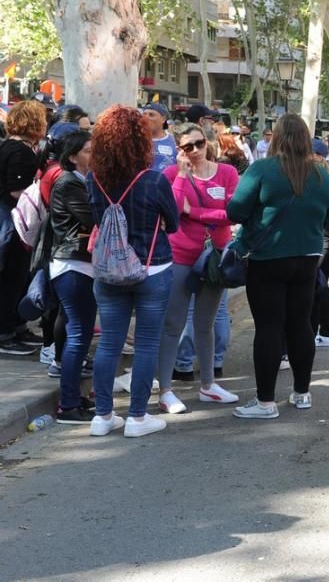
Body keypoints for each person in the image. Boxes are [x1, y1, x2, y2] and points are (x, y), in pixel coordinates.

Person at [227, 114, 329, 419]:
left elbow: (235, 211)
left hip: (267, 258)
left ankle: (265, 402)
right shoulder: (322, 174)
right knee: (300, 325)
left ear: (276, 137)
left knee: (269, 327)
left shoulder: (263, 169)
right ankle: (302, 393)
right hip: (306, 259)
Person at [87, 105, 179, 438]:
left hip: (109, 270)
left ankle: (102, 416)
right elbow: (174, 223)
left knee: (109, 343)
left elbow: (95, 220)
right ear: (141, 140)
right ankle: (138, 418)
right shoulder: (153, 179)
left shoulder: (92, 180)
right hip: (153, 269)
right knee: (146, 343)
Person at [155, 124, 240, 414]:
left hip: (215, 257)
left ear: (208, 142)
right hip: (180, 255)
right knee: (173, 323)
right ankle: (165, 390)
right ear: (179, 150)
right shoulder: (172, 174)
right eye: (186, 147)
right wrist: (180, 175)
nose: (194, 151)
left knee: (206, 322)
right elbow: (175, 210)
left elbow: (232, 213)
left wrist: (197, 213)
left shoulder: (227, 173)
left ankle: (208, 384)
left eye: (198, 144)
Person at [49, 130, 98, 424]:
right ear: (72, 156)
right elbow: (94, 220)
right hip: (72, 267)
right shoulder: (69, 183)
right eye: (90, 151)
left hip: (80, 266)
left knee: (76, 336)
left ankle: (73, 398)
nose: (95, 155)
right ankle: (67, 405)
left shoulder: (80, 181)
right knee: (79, 337)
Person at [0, 100, 47, 355]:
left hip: (11, 219)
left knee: (15, 276)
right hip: (16, 221)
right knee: (13, 276)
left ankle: (15, 327)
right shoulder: (22, 152)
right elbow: (17, 191)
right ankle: (7, 331)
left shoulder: (9, 146)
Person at [309, 137, 329, 348]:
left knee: (316, 287)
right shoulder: (326, 177)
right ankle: (327, 333)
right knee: (319, 286)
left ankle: (317, 333)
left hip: (326, 242)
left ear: (318, 156)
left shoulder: (321, 180)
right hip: (328, 241)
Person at [142, 103, 176, 173]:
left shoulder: (175, 142)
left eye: (151, 115)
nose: (146, 118)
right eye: (144, 115)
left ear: (163, 119)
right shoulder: (136, 141)